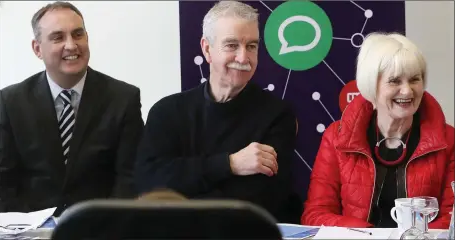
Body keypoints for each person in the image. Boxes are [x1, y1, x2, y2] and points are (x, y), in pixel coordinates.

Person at [134, 1, 297, 222]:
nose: (243, 58)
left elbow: (258, 203)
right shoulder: (166, 112)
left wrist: (183, 188)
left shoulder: (277, 116)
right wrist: (230, 164)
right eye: (231, 45)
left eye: (251, 46)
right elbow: (149, 184)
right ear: (207, 49)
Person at [0, 2, 144, 216]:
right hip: (30, 229)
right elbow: (3, 181)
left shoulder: (123, 98)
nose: (71, 45)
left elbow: (129, 178)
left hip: (99, 227)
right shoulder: (10, 102)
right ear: (37, 48)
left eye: (78, 34)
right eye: (58, 37)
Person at [301, 32, 454, 229]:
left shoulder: (449, 140)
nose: (407, 91)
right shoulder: (336, 137)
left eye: (415, 79)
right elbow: (316, 214)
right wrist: (369, 235)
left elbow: (452, 218)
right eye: (395, 81)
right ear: (371, 85)